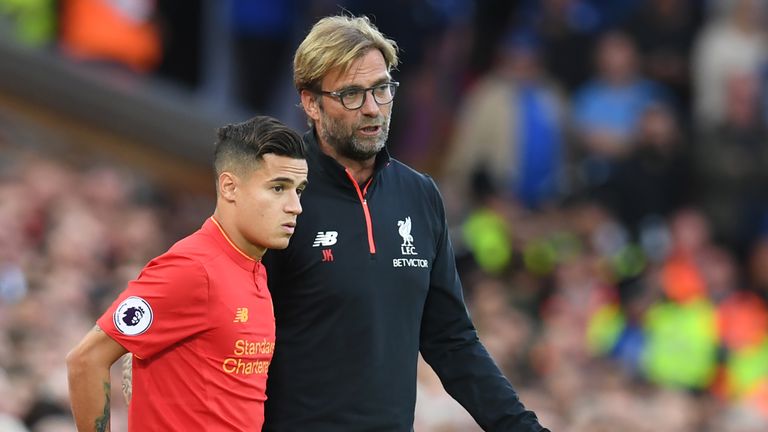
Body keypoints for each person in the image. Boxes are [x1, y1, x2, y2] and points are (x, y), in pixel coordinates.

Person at [262, 15, 548, 431]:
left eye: (381, 88)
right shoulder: (275, 193)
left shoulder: (420, 196)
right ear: (311, 102)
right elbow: (229, 326)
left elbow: (452, 341)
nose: (373, 108)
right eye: (352, 95)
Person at [65, 115, 308, 432]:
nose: (295, 206)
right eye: (278, 188)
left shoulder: (253, 270)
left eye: (299, 190)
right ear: (229, 186)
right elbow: (86, 360)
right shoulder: (193, 268)